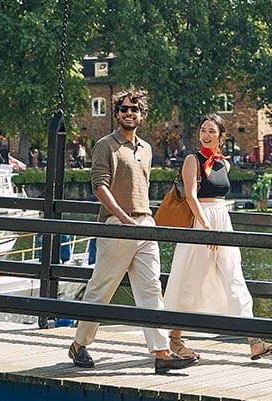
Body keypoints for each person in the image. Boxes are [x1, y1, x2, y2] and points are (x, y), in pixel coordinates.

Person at [67, 89, 196, 374]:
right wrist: (123, 218)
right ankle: (79, 344)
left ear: (142, 115)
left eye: (134, 109)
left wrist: (144, 219)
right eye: (124, 109)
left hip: (145, 224)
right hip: (117, 225)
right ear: (116, 114)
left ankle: (161, 352)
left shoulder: (146, 149)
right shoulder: (105, 145)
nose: (129, 113)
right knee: (102, 288)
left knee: (151, 289)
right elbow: (99, 186)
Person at [164, 114, 272, 361]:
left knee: (235, 278)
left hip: (222, 221)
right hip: (201, 223)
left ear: (221, 136)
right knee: (190, 280)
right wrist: (207, 227)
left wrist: (217, 226)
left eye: (212, 131)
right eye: (203, 130)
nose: (206, 135)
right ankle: (175, 339)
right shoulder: (192, 160)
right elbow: (191, 196)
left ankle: (255, 341)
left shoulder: (224, 164)